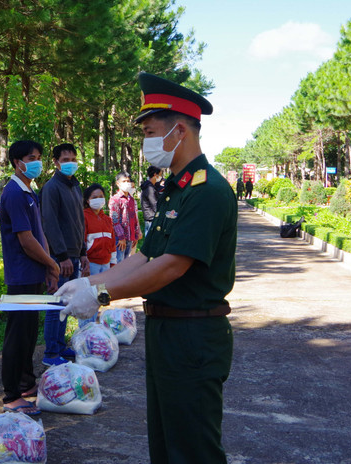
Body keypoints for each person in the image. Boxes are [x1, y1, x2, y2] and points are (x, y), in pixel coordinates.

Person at [55, 72, 237, 464]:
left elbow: (172, 266)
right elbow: (145, 254)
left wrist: (102, 295)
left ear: (179, 131)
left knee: (193, 448)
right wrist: (89, 280)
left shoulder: (207, 191)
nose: (146, 142)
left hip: (193, 335)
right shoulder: (178, 187)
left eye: (151, 131)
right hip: (167, 331)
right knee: (167, 442)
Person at [0, 140, 60, 416]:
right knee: (17, 335)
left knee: (28, 334)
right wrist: (51, 264)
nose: (36, 162)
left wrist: (48, 265)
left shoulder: (29, 191)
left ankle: (26, 384)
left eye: (38, 157)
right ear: (16, 162)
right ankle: (11, 395)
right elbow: (25, 240)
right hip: (21, 275)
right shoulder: (13, 192)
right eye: (30, 158)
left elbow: (39, 234)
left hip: (35, 271)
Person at [40, 143, 89, 367]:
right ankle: (50, 353)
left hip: (76, 255)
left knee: (67, 303)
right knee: (56, 305)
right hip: (62, 258)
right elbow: (49, 223)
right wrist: (61, 256)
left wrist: (83, 253)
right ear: (56, 163)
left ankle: (60, 346)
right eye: (65, 159)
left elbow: (79, 221)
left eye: (73, 159)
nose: (70, 163)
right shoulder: (51, 188)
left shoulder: (76, 187)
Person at [83, 183, 117, 275]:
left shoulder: (107, 219)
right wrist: (82, 263)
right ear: (87, 200)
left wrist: (113, 262)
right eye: (94, 197)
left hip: (106, 263)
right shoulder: (83, 217)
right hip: (91, 263)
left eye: (101, 196)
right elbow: (82, 241)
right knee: (92, 288)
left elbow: (112, 242)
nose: (98, 199)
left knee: (103, 288)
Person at [110, 171, 141, 262]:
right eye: (124, 181)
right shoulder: (115, 199)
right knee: (119, 262)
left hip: (130, 237)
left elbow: (134, 217)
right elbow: (114, 220)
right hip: (119, 239)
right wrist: (121, 237)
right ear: (118, 183)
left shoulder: (131, 199)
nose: (127, 183)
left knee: (126, 262)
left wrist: (135, 234)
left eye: (128, 181)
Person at [140, 165, 163, 235]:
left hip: (150, 217)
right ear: (155, 175)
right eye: (160, 175)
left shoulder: (151, 186)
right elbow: (154, 204)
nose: (160, 178)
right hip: (151, 218)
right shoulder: (149, 188)